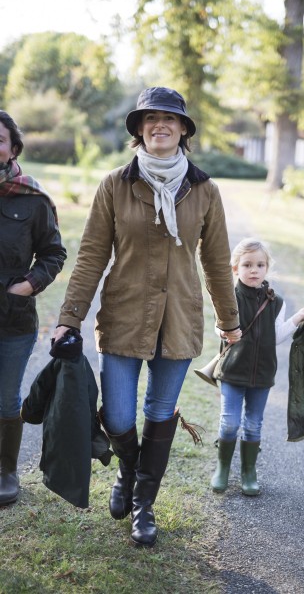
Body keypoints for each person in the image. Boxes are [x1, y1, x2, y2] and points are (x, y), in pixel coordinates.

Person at [53, 87, 241, 547]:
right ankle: (130, 474)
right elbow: (92, 255)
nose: (161, 125)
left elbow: (217, 262)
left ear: (183, 130)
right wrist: (69, 318)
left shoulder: (205, 190)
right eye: (151, 118)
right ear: (138, 129)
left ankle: (143, 504)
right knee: (118, 416)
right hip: (123, 317)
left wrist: (230, 321)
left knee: (159, 412)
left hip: (178, 318)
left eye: (170, 119)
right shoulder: (115, 184)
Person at [0, 111, 67, 506]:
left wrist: (26, 286)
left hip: (13, 318)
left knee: (5, 398)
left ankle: (6, 470)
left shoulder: (31, 198)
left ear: (13, 148)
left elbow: (54, 253)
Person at [211, 237, 304, 496]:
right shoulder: (229, 296)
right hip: (233, 371)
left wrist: (296, 320)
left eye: (260, 264)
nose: (253, 270)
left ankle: (248, 472)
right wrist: (223, 332)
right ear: (235, 269)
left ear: (267, 268)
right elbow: (219, 324)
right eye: (247, 265)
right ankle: (222, 468)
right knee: (230, 422)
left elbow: (275, 336)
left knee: (254, 424)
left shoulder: (275, 302)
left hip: (263, 373)